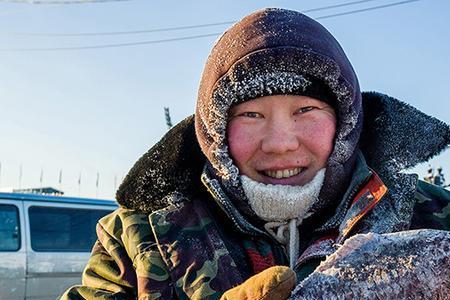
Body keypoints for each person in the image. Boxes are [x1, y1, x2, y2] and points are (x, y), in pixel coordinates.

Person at [62, 8, 450, 300]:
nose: (280, 143)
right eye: (250, 115)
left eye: (305, 111)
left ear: (345, 120)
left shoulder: (433, 218)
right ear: (213, 131)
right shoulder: (138, 239)